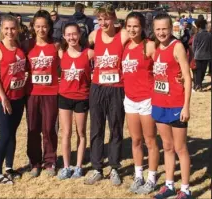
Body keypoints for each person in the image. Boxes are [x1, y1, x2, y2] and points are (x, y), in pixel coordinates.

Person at [84, 4, 129, 186]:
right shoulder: (94, 36)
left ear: (114, 18)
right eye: (100, 19)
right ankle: (96, 167)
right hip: (97, 87)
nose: (103, 22)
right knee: (96, 128)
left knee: (116, 127)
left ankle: (115, 167)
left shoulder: (124, 34)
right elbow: (83, 52)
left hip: (117, 87)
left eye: (106, 18)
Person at [151, 13, 192, 199]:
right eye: (158, 29)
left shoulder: (177, 47)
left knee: (180, 148)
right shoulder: (156, 47)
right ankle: (169, 185)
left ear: (171, 28)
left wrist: (186, 106)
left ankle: (185, 189)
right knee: (167, 147)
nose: (161, 32)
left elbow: (188, 77)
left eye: (164, 29)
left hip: (176, 104)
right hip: (159, 104)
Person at [122, 12, 159, 194]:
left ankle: (151, 178)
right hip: (130, 100)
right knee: (136, 140)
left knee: (150, 140)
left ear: (143, 27)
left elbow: (167, 64)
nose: (132, 29)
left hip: (147, 100)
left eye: (135, 26)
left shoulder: (150, 46)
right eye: (129, 25)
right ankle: (139, 175)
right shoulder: (125, 46)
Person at [0, 14, 27, 184]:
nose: (10, 31)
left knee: (12, 134)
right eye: (6, 28)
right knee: (4, 135)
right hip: (2, 99)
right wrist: (3, 97)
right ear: (2, 29)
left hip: (18, 97)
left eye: (13, 28)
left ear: (18, 29)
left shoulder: (20, 47)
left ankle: (9, 167)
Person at [24, 10, 59, 178]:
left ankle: (50, 161)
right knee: (33, 128)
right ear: (33, 27)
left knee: (49, 128)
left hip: (51, 93)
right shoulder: (27, 45)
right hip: (32, 93)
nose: (41, 30)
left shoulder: (56, 45)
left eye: (44, 26)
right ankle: (35, 163)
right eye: (37, 26)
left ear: (49, 27)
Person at [57, 22, 94, 180]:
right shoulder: (61, 53)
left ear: (79, 35)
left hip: (82, 98)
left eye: (74, 34)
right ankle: (66, 166)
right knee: (66, 133)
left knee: (81, 133)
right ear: (64, 36)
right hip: (64, 97)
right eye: (68, 34)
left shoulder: (89, 53)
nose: (71, 37)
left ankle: (78, 166)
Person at [192, 19, 212, 91]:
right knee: (203, 71)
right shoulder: (209, 35)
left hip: (198, 55)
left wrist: (194, 54)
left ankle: (198, 85)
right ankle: (199, 84)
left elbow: (194, 46)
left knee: (198, 71)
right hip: (207, 56)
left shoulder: (197, 35)